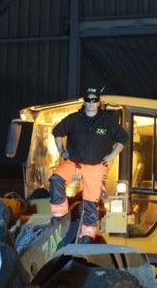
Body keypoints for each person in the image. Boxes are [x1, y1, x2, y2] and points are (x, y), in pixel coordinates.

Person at [49, 86, 128, 243]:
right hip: (74, 162)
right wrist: (61, 150)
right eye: (88, 100)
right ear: (84, 101)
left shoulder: (107, 122)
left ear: (99, 102)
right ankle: (59, 215)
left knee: (91, 201)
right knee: (56, 178)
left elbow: (123, 138)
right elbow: (57, 131)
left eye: (94, 100)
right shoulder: (73, 119)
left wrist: (112, 155)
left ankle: (88, 233)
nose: (91, 103)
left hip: (95, 166)